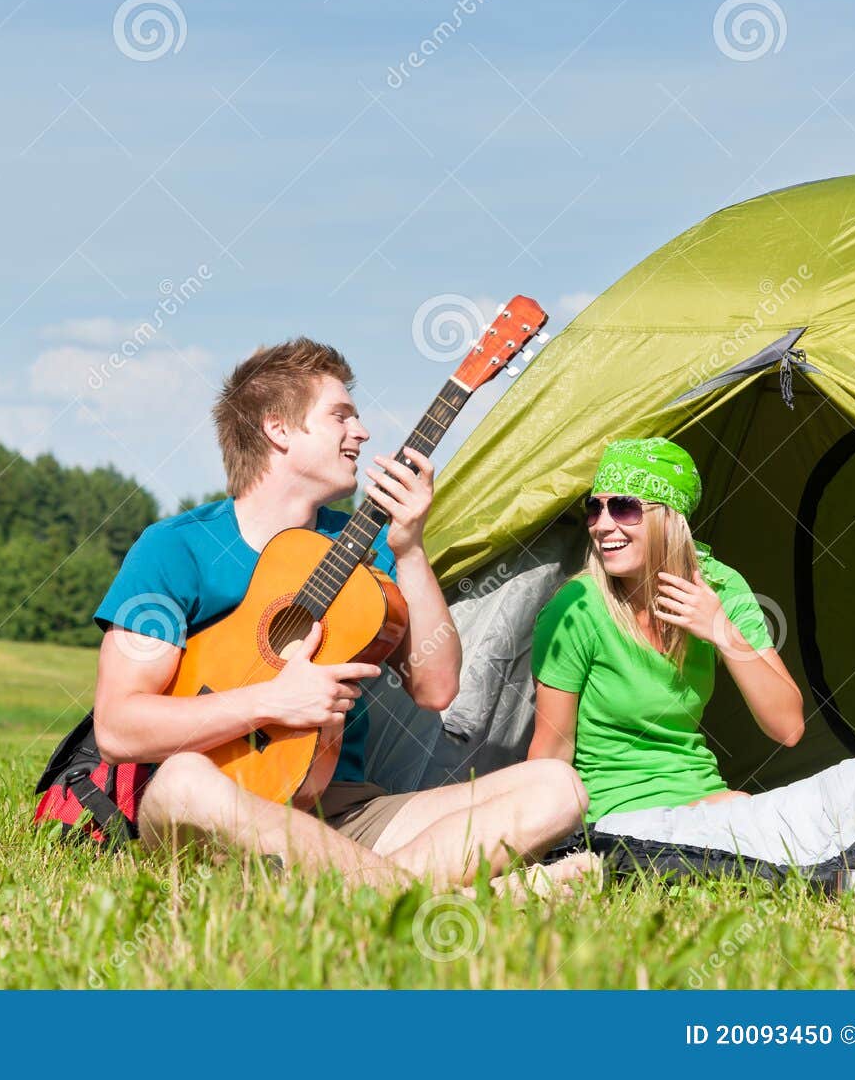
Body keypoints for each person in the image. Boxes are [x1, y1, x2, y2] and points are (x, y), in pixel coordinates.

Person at [91, 338, 586, 890]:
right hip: (214, 800)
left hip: (341, 810)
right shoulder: (175, 549)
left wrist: (410, 550)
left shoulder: (363, 550)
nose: (363, 432)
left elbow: (437, 687)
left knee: (556, 787)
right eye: (341, 416)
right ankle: (433, 893)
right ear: (278, 429)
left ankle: (359, 887)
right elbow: (117, 727)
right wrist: (271, 701)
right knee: (184, 781)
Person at [527, 437, 803, 824]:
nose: (603, 525)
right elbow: (551, 752)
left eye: (624, 508)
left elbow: (788, 727)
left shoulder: (720, 589)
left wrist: (722, 631)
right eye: (595, 508)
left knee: (762, 813)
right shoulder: (576, 607)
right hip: (612, 811)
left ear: (669, 519)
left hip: (705, 797)